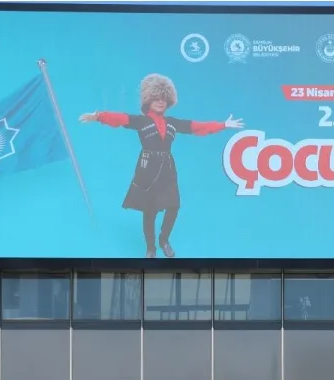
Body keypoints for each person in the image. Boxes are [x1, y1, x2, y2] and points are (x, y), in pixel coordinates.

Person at [79, 73, 244, 258]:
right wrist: (98, 116)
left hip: (168, 168)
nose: (160, 102)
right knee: (149, 211)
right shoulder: (140, 121)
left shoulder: (173, 123)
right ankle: (151, 247)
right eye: (156, 98)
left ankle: (164, 240)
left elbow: (198, 127)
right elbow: (120, 118)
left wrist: (223, 125)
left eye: (164, 99)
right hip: (147, 169)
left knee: (174, 206)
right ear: (148, 101)